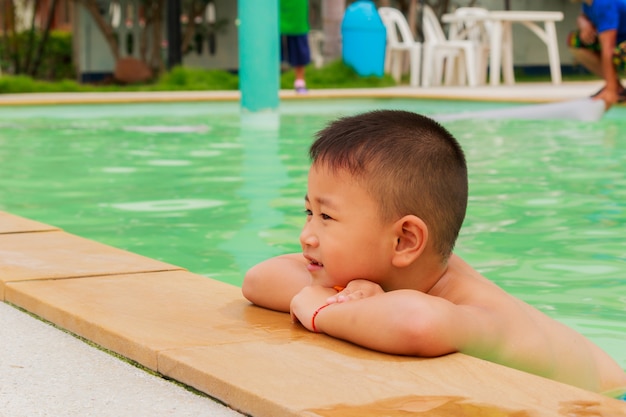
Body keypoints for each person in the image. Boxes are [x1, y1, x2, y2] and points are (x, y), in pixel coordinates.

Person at [242, 110, 626, 394]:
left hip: (607, 399)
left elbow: (417, 325)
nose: (307, 236)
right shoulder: (394, 271)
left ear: (405, 240)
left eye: (326, 216)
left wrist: (319, 310)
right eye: (309, 211)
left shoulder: (478, 310)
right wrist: (342, 297)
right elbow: (259, 279)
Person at [568, 0, 626, 108]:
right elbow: (583, 15)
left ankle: (614, 88)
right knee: (575, 41)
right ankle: (619, 90)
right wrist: (584, 22)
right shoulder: (588, 4)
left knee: (622, 50)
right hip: (620, 41)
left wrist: (610, 89)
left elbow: (608, 48)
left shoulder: (604, 3)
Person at [280, 0, 311, 94]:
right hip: (274, 8)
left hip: (297, 10)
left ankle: (300, 83)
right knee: (270, 49)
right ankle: (267, 83)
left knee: (299, 48)